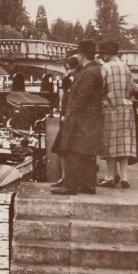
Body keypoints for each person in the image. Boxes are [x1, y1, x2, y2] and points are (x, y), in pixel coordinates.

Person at [52, 40, 104, 195]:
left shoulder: (89, 72)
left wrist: (70, 115)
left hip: (82, 118)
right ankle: (88, 184)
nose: (76, 56)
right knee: (86, 152)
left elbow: (82, 97)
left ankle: (70, 186)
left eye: (78, 53)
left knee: (74, 151)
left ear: (82, 55)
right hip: (88, 118)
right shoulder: (91, 70)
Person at [97, 40, 137, 189]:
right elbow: (133, 88)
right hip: (126, 109)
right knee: (124, 143)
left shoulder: (106, 67)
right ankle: (125, 177)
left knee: (110, 143)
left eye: (103, 54)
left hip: (110, 108)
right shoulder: (126, 67)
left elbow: (100, 87)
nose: (102, 57)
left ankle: (109, 177)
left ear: (108, 54)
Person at [51, 55, 81, 187]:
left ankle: (64, 177)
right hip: (77, 118)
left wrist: (62, 114)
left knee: (61, 148)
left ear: (67, 66)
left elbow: (64, 98)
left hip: (67, 116)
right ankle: (72, 177)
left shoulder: (68, 78)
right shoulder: (81, 76)